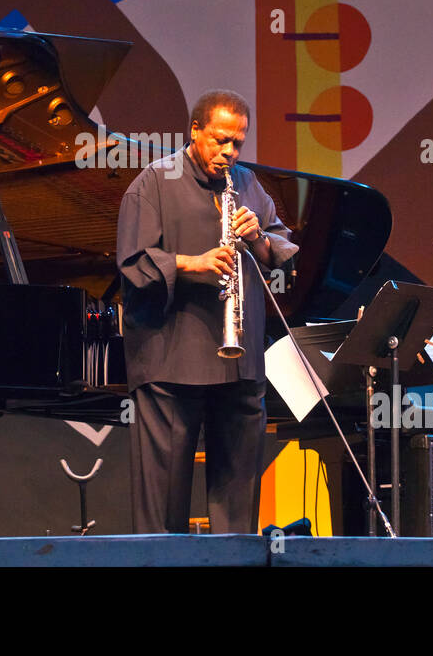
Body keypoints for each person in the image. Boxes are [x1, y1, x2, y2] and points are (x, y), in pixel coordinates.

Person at [117, 90, 298, 534]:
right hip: (173, 362)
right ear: (194, 131)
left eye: (237, 143)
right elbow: (132, 264)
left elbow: (283, 252)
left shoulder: (248, 184)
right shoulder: (153, 182)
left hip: (240, 367)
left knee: (238, 509)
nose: (229, 152)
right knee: (163, 511)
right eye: (220, 141)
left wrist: (257, 238)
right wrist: (191, 262)